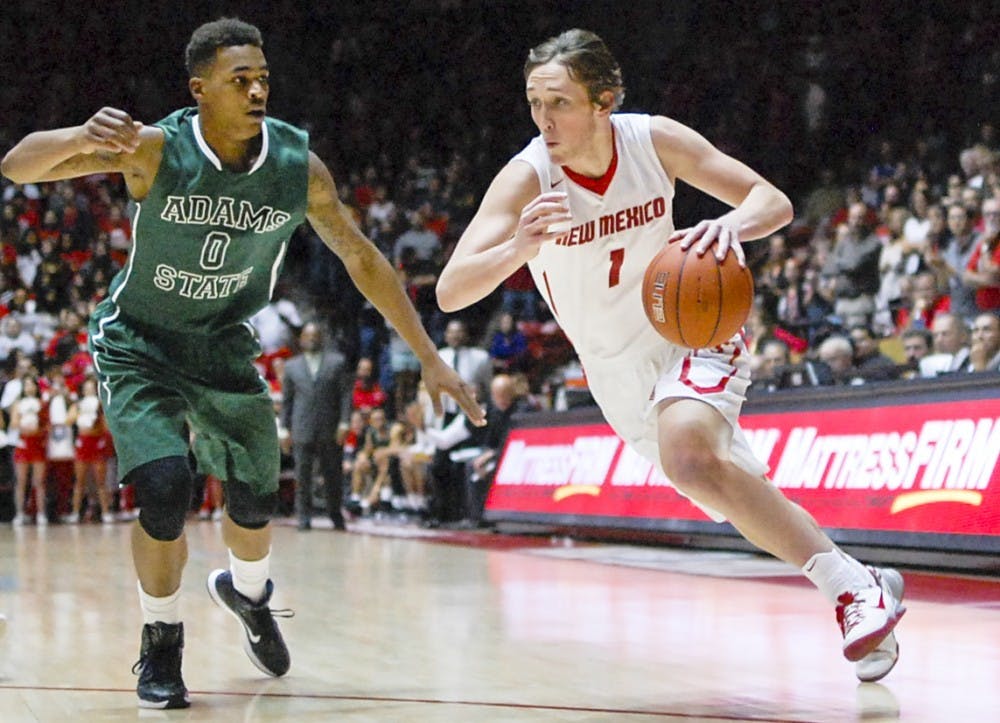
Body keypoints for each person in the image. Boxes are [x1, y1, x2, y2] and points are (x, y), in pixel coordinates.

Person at [1, 18, 483, 709]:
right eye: (240, 79)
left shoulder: (298, 168)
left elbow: (360, 258)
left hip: (223, 341)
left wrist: (430, 357)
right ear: (200, 91)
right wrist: (81, 137)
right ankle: (162, 640)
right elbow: (16, 163)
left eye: (263, 77)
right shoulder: (155, 147)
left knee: (253, 500)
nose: (257, 89)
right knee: (166, 487)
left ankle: (248, 594)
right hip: (139, 339)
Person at [435, 29, 904, 683]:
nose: (545, 120)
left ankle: (852, 591)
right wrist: (516, 245)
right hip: (611, 368)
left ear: (604, 100)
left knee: (689, 452)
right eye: (534, 102)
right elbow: (452, 290)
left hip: (688, 322)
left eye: (560, 102)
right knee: (718, 480)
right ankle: (860, 578)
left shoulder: (651, 140)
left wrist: (726, 225)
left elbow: (773, 202)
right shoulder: (527, 177)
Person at [280, 321, 352, 531]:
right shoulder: (292, 366)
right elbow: (287, 401)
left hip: (330, 427)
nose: (312, 339)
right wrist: (284, 429)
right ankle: (303, 517)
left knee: (333, 475)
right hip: (302, 427)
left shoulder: (337, 362)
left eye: (315, 336)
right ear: (301, 340)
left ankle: (335, 514)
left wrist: (345, 422)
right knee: (302, 476)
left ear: (322, 338)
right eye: (308, 336)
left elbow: (345, 395)